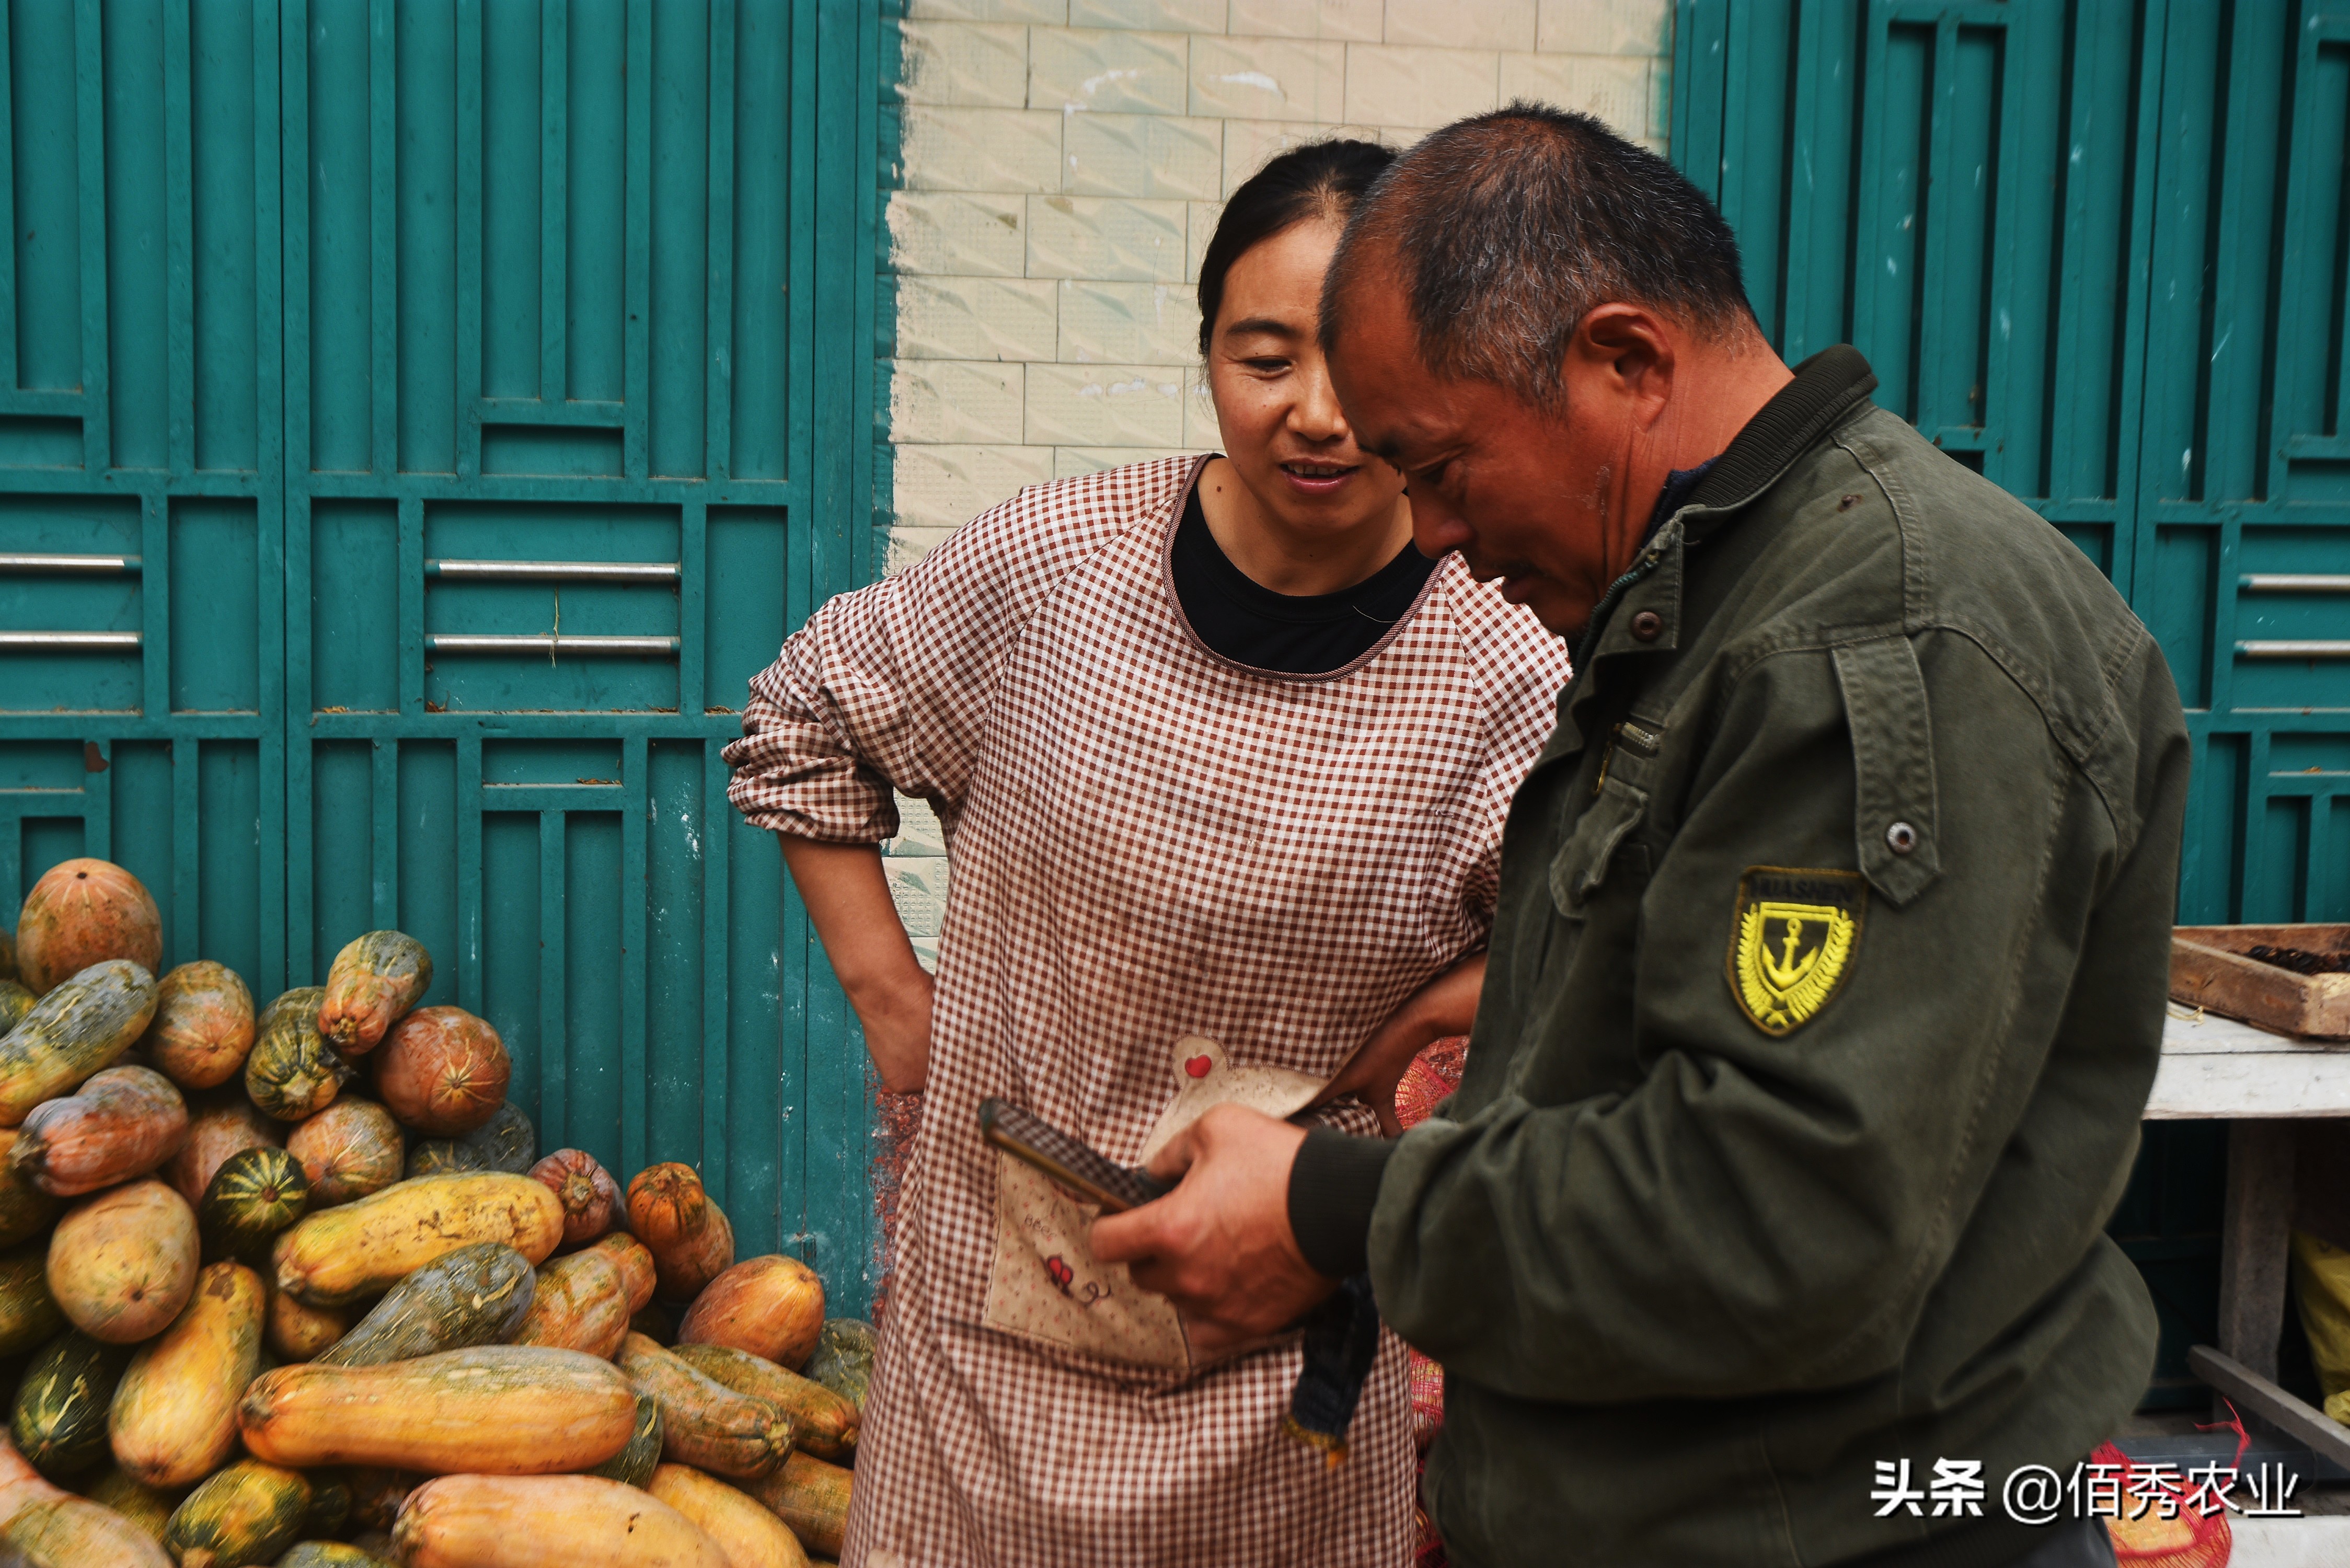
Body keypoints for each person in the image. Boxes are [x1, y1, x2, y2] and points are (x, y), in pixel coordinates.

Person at [1095, 105, 2190, 1568]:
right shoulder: (1705, 607)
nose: (1430, 538)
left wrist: (1330, 1207)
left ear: (1624, 359)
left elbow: (1778, 1219)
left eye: (1438, 466)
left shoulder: (1883, 636)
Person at [723, 139, 1569, 1567]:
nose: (1314, 417)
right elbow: (807, 717)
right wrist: (895, 1010)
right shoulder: (1057, 567)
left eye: (1357, 370)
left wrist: (1440, 1009)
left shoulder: (1499, 658)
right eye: (1262, 358)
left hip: (1280, 1352)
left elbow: (1615, 935)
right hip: (981, 1341)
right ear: (1205, 355)